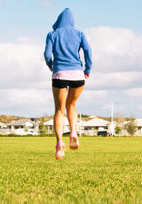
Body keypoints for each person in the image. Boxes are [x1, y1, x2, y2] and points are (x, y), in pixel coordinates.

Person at [44, 8, 92, 160]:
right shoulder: (79, 34)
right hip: (77, 74)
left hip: (59, 74)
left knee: (59, 109)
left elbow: (46, 54)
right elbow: (88, 51)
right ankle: (73, 132)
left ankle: (59, 144)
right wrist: (87, 69)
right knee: (71, 105)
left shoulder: (52, 34)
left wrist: (50, 65)